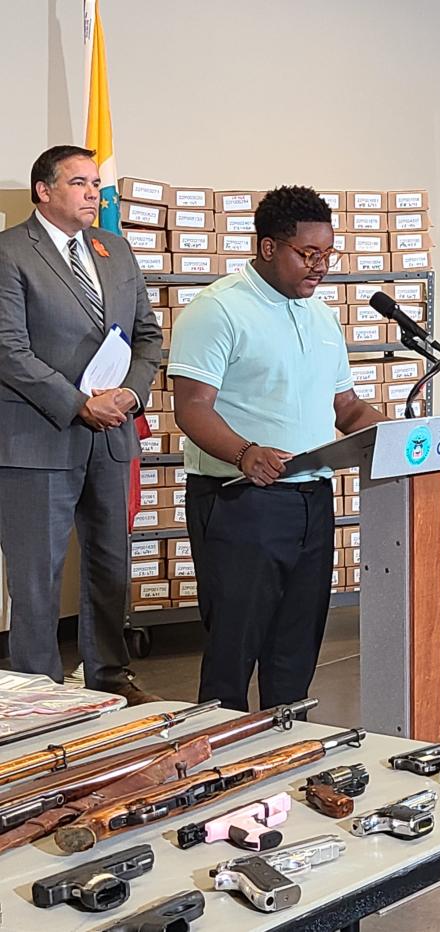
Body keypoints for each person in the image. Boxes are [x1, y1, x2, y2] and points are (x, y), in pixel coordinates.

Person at [168, 185, 387, 712]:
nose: (320, 267)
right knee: (234, 647)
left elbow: (347, 407)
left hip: (311, 499)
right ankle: (217, 761)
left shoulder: (321, 316)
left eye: (327, 254)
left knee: (296, 644)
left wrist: (395, 434)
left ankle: (287, 748)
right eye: (307, 254)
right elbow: (192, 407)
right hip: (240, 497)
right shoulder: (218, 309)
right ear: (268, 247)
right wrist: (245, 452)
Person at [0, 145, 163, 704]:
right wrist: (76, 403)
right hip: (38, 440)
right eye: (80, 183)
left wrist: (130, 395)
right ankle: (38, 695)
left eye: (96, 183)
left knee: (109, 565)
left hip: (112, 432)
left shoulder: (114, 249)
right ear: (44, 191)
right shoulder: (9, 254)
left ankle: (109, 677)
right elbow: (8, 349)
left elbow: (148, 336)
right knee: (37, 579)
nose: (94, 193)